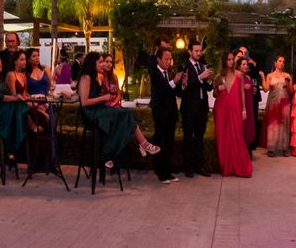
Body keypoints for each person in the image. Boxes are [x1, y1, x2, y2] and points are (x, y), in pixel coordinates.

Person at [79, 52, 159, 167]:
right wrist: (104, 98)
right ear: (93, 63)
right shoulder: (86, 77)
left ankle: (109, 153)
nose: (103, 65)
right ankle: (140, 144)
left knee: (127, 115)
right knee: (127, 116)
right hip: (91, 114)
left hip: (100, 110)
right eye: (100, 62)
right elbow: (84, 102)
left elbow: (115, 94)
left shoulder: (97, 76)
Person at [213, 52, 252, 177]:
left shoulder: (239, 75)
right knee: (223, 137)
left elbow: (242, 93)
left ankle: (241, 167)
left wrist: (244, 110)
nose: (230, 61)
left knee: (237, 136)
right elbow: (214, 94)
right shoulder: (219, 76)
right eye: (228, 59)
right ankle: (227, 167)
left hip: (235, 108)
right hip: (222, 109)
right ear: (224, 61)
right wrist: (218, 89)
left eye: (231, 59)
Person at [179, 41, 213, 177]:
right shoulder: (184, 66)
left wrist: (209, 80)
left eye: (200, 51)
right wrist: (200, 78)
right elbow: (184, 88)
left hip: (202, 107)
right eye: (196, 51)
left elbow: (208, 88)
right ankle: (188, 167)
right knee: (188, 138)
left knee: (199, 138)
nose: (199, 53)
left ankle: (199, 166)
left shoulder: (202, 65)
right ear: (189, 51)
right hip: (189, 108)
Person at [149, 48, 182, 184]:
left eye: (170, 59)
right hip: (160, 113)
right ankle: (161, 172)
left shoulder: (169, 72)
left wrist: (182, 83)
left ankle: (167, 171)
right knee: (161, 141)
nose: (169, 62)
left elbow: (175, 91)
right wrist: (174, 81)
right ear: (159, 60)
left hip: (171, 112)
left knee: (169, 143)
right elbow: (163, 90)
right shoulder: (155, 73)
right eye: (166, 59)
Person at [260, 55, 293, 157]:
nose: (282, 63)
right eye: (280, 61)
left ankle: (284, 148)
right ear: (275, 63)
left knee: (285, 123)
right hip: (273, 101)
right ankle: (271, 148)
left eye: (283, 61)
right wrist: (262, 77)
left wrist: (287, 83)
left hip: (284, 101)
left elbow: (291, 90)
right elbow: (265, 89)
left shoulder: (287, 75)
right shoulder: (270, 75)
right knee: (272, 124)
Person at [237, 57, 256, 157]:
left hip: (249, 104)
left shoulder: (248, 77)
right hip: (241, 104)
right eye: (243, 64)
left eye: (246, 64)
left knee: (249, 127)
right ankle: (242, 152)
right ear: (239, 66)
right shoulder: (238, 76)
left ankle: (248, 150)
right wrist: (242, 88)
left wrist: (252, 90)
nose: (245, 66)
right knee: (242, 127)